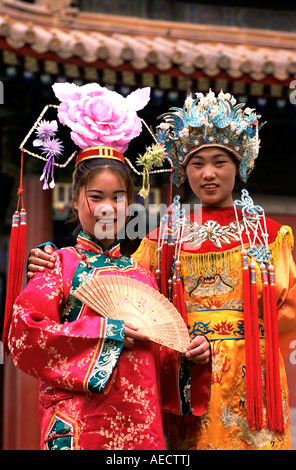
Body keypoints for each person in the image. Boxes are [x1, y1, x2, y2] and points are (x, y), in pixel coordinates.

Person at [29, 89, 296, 451]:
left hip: (252, 376)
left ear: (241, 165)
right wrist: (49, 257)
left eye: (220, 162)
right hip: (181, 376)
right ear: (183, 171)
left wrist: (255, 351)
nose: (209, 174)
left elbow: (287, 316)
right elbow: (126, 301)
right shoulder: (159, 242)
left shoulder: (271, 237)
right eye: (197, 164)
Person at [6, 82, 211, 451]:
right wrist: (106, 331)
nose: (106, 208)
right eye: (95, 197)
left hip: (143, 428)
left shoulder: (142, 275)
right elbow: (23, 336)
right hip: (81, 424)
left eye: (118, 198)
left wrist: (190, 358)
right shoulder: (58, 263)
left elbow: (161, 358)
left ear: (131, 204)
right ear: (74, 202)